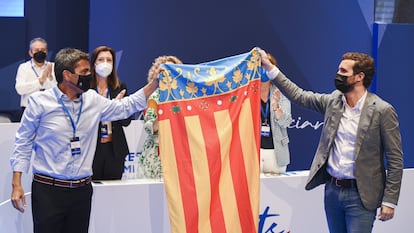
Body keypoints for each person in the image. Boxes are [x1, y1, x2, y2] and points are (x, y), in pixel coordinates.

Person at [10, 48, 158, 233]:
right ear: (67, 75)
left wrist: (153, 85)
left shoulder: (92, 100)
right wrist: (17, 185)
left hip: (82, 191)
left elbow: (124, 107)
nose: (90, 76)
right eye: (84, 72)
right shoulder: (39, 102)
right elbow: (23, 143)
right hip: (48, 190)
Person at [259, 48, 403, 232]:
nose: (338, 74)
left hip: (361, 195)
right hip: (332, 192)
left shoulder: (382, 110)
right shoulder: (334, 102)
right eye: (338, 70)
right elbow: (299, 95)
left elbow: (395, 159)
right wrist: (270, 67)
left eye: (343, 71)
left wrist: (389, 200)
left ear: (359, 77)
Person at [90, 46, 131, 180]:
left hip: (115, 149)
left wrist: (118, 107)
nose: (105, 63)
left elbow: (127, 121)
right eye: (101, 59)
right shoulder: (86, 89)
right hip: (92, 150)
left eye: (109, 60)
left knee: (113, 193)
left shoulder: (120, 87)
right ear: (94, 62)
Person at [138, 55, 182, 179]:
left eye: (171, 70)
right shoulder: (155, 97)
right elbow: (149, 127)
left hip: (180, 151)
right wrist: (164, 114)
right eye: (164, 71)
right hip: (158, 154)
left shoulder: (184, 98)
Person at [260, 53, 292, 175]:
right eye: (260, 66)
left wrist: (276, 107)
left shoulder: (281, 94)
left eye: (266, 66)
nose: (263, 69)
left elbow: (286, 122)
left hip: (276, 152)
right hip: (252, 152)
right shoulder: (248, 94)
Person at [15, 37, 57, 113]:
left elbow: (58, 90)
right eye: (37, 50)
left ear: (46, 52)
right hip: (29, 109)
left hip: (50, 109)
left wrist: (50, 78)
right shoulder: (24, 67)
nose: (40, 52)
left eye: (43, 50)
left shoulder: (53, 67)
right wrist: (40, 81)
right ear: (30, 53)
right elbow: (20, 89)